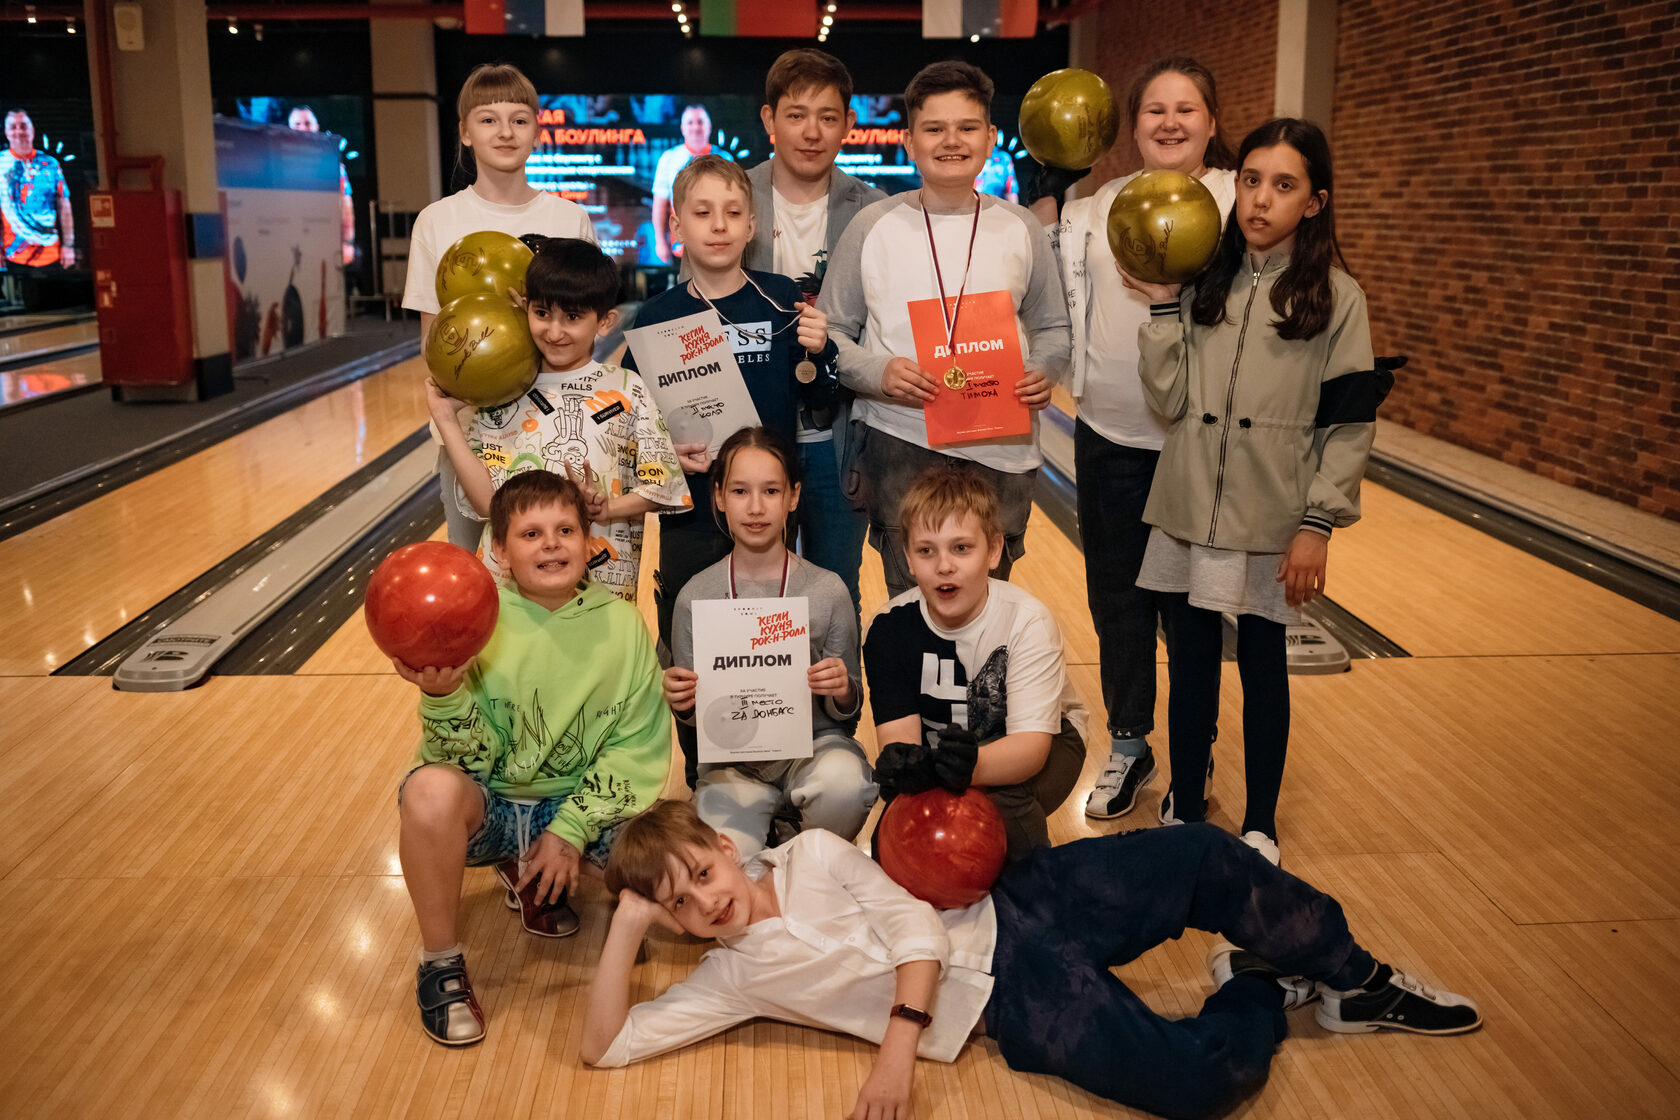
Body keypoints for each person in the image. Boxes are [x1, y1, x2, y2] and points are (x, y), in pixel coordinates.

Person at [581, 800, 1483, 1120]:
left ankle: (1357, 979)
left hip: (1014, 903)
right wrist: (627, 925)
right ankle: (1250, 987)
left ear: (725, 847)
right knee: (1199, 1084)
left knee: (1198, 853)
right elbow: (606, 1047)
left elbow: (918, 933)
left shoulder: (815, 853)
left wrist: (897, 1049)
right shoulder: (732, 976)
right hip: (1010, 1000)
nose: (704, 901)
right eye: (679, 906)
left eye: (700, 873)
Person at [1125, 119, 1387, 866]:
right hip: (1187, 504)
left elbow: (1347, 423)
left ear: (1314, 202)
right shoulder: (1204, 278)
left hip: (1273, 514)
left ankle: (1261, 822)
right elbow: (1170, 397)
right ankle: (1183, 800)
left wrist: (1318, 524)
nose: (1260, 200)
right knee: (1192, 665)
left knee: (1266, 665)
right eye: (1250, 181)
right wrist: (1163, 308)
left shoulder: (1337, 298)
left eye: (1283, 185)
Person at [393, 470, 672, 1047]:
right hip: (491, 809)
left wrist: (569, 830)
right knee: (429, 793)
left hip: (575, 807)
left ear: (589, 538)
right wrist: (443, 696)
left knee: (670, 878)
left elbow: (636, 746)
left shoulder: (622, 626)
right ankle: (441, 964)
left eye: (565, 529)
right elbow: (463, 762)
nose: (551, 543)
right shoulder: (475, 621)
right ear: (499, 550)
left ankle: (538, 876)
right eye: (531, 533)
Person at [1040, 58, 1239, 823]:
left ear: (1212, 122)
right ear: (1133, 122)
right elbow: (1067, 304)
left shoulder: (1232, 200)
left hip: (1198, 438)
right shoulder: (1096, 208)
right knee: (1118, 600)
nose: (1169, 121)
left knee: (1192, 606)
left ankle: (1194, 749)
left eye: (1186, 108)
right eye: (1154, 108)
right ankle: (1130, 742)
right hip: (1109, 431)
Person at [621, 154, 838, 788]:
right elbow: (636, 430)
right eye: (702, 212)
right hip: (689, 511)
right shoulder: (655, 319)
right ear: (677, 225)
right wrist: (669, 456)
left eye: (733, 213)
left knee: (770, 639)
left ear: (753, 226)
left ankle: (779, 766)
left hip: (767, 510)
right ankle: (705, 776)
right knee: (691, 649)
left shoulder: (782, 305)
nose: (718, 225)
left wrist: (821, 353)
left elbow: (818, 399)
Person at [821, 61, 1070, 598]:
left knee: (989, 611)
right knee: (910, 609)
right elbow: (832, 333)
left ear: (990, 138)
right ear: (909, 141)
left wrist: (1043, 369)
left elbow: (1052, 327)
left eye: (967, 127)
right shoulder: (873, 225)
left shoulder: (1020, 224)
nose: (951, 141)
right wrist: (877, 370)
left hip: (1000, 447)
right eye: (934, 129)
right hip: (900, 439)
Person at [427, 236, 690, 602]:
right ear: (524, 308)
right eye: (541, 313)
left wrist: (607, 506)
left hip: (601, 585)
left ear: (605, 321)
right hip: (511, 591)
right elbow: (489, 505)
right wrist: (446, 420)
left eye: (572, 317)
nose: (554, 331)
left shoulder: (627, 389)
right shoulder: (499, 393)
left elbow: (663, 485)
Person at [402, 63, 597, 553]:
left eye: (519, 119)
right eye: (488, 119)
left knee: (563, 576)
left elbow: (586, 333)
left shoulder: (569, 218)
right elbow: (434, 343)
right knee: (475, 585)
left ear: (536, 129)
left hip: (560, 430)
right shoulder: (436, 221)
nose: (505, 132)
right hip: (470, 438)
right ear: (465, 132)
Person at [662, 427, 875, 859]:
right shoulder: (695, 597)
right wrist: (681, 701)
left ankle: (797, 847)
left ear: (793, 497)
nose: (756, 507)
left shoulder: (827, 590)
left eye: (771, 491)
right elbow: (693, 722)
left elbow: (850, 708)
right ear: (719, 497)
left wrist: (842, 687)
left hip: (814, 750)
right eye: (740, 491)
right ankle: (774, 842)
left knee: (844, 786)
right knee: (724, 863)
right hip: (733, 767)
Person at [862, 464, 1085, 863]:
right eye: (926, 550)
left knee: (998, 806)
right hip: (941, 757)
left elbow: (1030, 749)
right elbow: (902, 745)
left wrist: (967, 769)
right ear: (908, 559)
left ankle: (1037, 890)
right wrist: (914, 773)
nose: (944, 565)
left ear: (994, 550)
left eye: (961, 548)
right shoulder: (888, 629)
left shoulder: (1027, 621)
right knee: (892, 845)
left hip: (1048, 741)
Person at [747, 48, 885, 616]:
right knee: (754, 591)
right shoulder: (730, 194)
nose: (812, 131)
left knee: (836, 592)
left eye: (828, 117)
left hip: (837, 433)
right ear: (768, 119)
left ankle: (837, 707)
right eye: (796, 114)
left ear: (849, 124)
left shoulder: (874, 211)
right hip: (751, 430)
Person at [1, 109, 75, 275]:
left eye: (23, 126)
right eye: (13, 127)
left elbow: (64, 206)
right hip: (12, 255)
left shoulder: (50, 164)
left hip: (50, 253)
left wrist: (69, 245)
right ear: (6, 132)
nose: (18, 131)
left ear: (32, 130)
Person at [651, 104, 717, 264]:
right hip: (680, 246)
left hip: (717, 242)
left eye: (700, 122)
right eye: (690, 122)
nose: (695, 127)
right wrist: (660, 241)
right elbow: (660, 204)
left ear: (709, 126)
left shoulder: (725, 158)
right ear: (682, 128)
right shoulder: (669, 158)